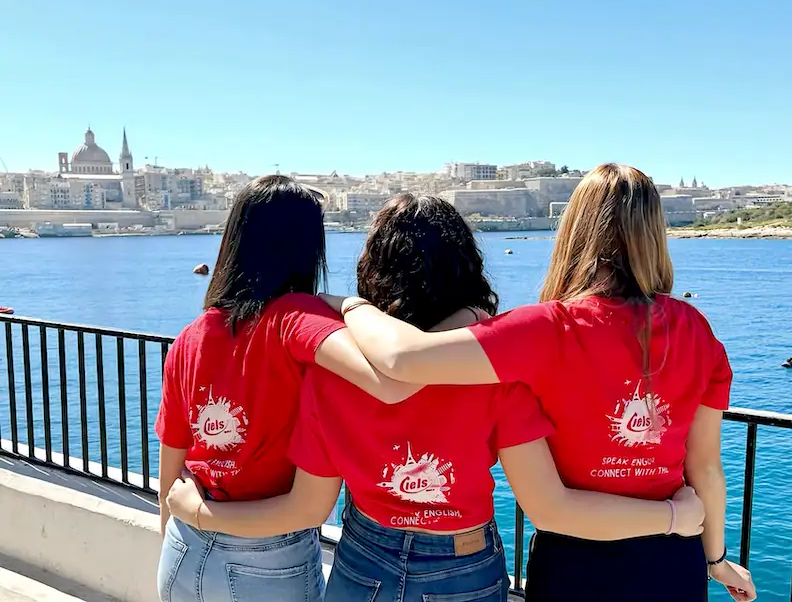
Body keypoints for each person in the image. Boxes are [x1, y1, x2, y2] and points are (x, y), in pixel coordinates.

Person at [166, 194, 706, 602]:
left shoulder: (331, 373)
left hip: (361, 554)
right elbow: (545, 500)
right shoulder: (495, 375)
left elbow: (312, 500)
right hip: (461, 561)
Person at [317, 166, 757, 602]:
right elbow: (705, 469)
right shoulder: (696, 330)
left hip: (577, 561)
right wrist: (715, 558)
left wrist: (350, 305)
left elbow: (401, 359)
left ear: (574, 230)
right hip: (671, 560)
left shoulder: (545, 329)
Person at [155, 176, 417, 602]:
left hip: (182, 549)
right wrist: (352, 305)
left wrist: (183, 530)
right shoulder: (295, 317)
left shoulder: (191, 336)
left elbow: (171, 469)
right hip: (266, 559)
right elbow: (392, 378)